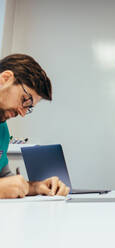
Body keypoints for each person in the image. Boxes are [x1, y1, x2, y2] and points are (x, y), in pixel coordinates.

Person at [0, 54, 70, 198]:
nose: (22, 113)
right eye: (24, 100)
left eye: (29, 107)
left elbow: (5, 179)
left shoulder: (2, 130)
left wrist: (36, 187)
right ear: (5, 79)